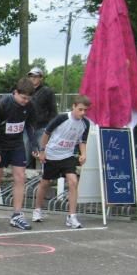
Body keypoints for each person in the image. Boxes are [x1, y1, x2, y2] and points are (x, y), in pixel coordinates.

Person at [0, 77, 38, 230]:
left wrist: (34, 144)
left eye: (28, 99)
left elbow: (30, 126)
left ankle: (16, 215)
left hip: (17, 145)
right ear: (15, 92)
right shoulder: (2, 105)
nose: (25, 101)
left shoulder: (29, 105)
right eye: (23, 98)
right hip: (0, 145)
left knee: (20, 177)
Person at [32, 95, 90, 229]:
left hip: (67, 156)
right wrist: (42, 151)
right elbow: (46, 133)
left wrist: (83, 154)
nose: (83, 113)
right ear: (74, 106)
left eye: (85, 110)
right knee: (45, 183)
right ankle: (37, 210)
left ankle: (72, 216)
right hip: (51, 155)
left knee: (73, 181)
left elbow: (82, 141)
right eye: (80, 109)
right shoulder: (62, 118)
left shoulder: (85, 124)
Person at [27, 67, 57, 169]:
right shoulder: (26, 91)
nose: (33, 78)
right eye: (31, 76)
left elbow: (53, 111)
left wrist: (50, 128)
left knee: (43, 154)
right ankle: (27, 175)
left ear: (41, 78)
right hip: (28, 127)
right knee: (27, 154)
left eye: (35, 76)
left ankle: (44, 175)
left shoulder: (47, 91)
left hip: (42, 127)